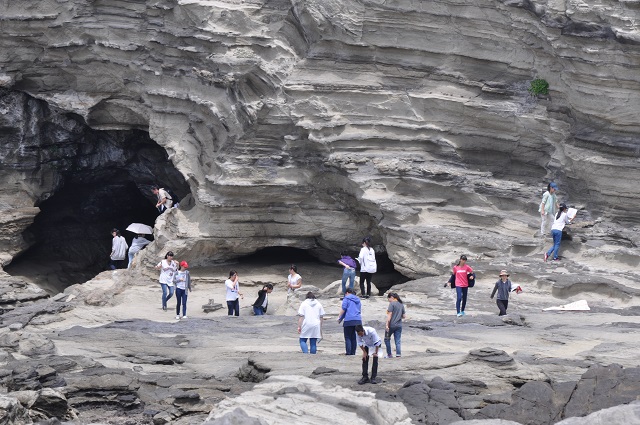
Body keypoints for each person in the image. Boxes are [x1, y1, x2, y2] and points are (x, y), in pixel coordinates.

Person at [337, 288, 362, 355]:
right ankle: (353, 352)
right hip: (357, 320)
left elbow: (344, 309)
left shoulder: (346, 298)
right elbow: (359, 310)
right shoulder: (358, 299)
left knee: (348, 337)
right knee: (354, 337)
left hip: (349, 320)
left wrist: (339, 317)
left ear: (347, 292)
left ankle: (348, 352)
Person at [384, 292, 406, 358]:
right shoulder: (401, 304)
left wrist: (387, 325)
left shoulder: (392, 304)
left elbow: (389, 315)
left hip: (391, 325)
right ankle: (398, 354)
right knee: (398, 340)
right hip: (399, 325)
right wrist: (398, 317)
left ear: (392, 297)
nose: (388, 300)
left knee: (387, 339)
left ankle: (389, 354)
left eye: (388, 299)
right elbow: (404, 316)